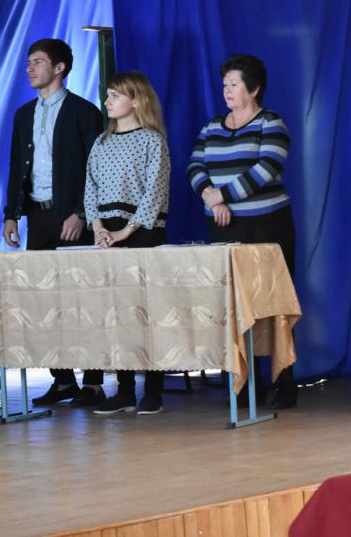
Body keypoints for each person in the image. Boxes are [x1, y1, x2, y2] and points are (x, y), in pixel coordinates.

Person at [186, 54, 298, 409]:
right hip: (224, 225)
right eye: (225, 85)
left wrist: (224, 195)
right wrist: (211, 197)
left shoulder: (271, 122)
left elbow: (267, 167)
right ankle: (248, 384)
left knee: (274, 303)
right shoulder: (212, 126)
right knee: (236, 306)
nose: (227, 91)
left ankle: (285, 382)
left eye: (234, 84)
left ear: (254, 88)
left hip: (268, 223)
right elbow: (195, 165)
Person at [2, 38, 107, 408]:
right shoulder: (23, 114)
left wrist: (81, 212)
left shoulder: (84, 112)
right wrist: (11, 214)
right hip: (39, 216)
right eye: (28, 62)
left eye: (37, 62)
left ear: (59, 67)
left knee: (83, 300)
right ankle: (62, 380)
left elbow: (96, 168)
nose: (29, 68)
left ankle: (93, 381)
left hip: (73, 217)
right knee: (44, 300)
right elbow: (16, 167)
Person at [83, 72, 171, 416]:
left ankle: (153, 389)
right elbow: (90, 186)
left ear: (136, 101)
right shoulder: (101, 141)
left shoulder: (152, 141)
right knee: (117, 313)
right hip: (108, 232)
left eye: (115, 96)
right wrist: (98, 227)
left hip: (142, 231)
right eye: (107, 95)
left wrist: (126, 231)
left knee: (146, 311)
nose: (107, 101)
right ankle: (123, 389)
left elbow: (155, 189)